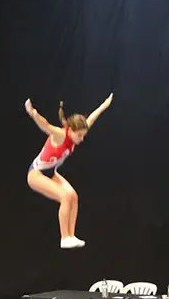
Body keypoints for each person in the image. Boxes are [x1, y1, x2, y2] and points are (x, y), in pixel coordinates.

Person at [24, 94, 114, 249]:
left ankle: (71, 236)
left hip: (51, 172)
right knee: (65, 196)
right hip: (36, 174)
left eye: (83, 136)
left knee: (73, 196)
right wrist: (33, 113)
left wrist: (105, 105)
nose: (81, 139)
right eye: (79, 136)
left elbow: (92, 117)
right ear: (71, 130)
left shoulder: (77, 132)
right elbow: (45, 126)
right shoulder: (60, 135)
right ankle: (64, 237)